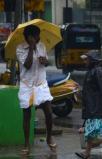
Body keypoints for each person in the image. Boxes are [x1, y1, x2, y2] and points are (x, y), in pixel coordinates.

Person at [16, 25, 55, 155]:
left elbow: (46, 62)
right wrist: (32, 48)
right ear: (29, 37)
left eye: (39, 36)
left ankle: (49, 137)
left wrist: (45, 61)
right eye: (36, 36)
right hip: (27, 85)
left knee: (49, 112)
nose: (39, 38)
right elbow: (27, 65)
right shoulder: (20, 48)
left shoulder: (42, 46)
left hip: (41, 84)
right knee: (27, 115)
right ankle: (26, 144)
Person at [76, 51, 102, 158]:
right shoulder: (91, 71)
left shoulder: (98, 71)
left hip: (96, 106)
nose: (85, 62)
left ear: (93, 60)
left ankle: (87, 153)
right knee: (101, 129)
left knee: (92, 129)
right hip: (92, 106)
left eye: (87, 59)